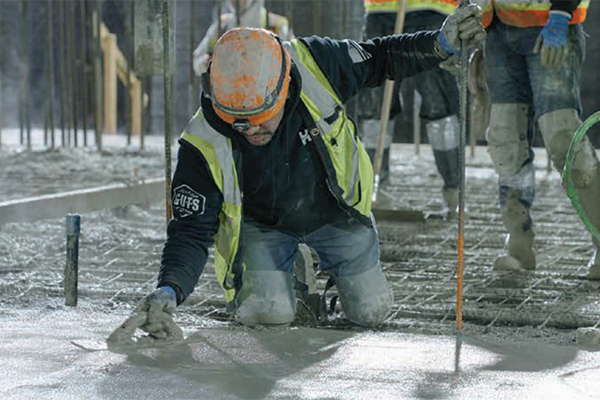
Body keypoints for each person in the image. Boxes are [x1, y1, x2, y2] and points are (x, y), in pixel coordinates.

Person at [119, 5, 485, 340]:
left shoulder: (315, 63)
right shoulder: (201, 144)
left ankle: (322, 272)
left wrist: (439, 43)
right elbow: (190, 232)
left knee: (371, 310)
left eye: (261, 120)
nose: (251, 132)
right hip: (264, 224)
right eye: (239, 126)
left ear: (283, 90)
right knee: (266, 313)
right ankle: (289, 273)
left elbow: (381, 57)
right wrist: (169, 290)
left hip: (335, 211)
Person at [471, 0, 599, 277]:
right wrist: (465, 20)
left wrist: (562, 12)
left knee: (563, 136)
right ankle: (518, 244)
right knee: (505, 140)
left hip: (551, 23)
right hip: (496, 30)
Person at [359, 0, 462, 216]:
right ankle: (375, 189)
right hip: (381, 11)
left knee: (438, 103)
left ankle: (455, 194)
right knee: (374, 105)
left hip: (433, 10)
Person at [192, 0, 293, 77]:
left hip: (267, 98)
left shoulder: (276, 25)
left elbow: (293, 66)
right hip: (226, 98)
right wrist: (208, 63)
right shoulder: (222, 25)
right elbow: (197, 62)